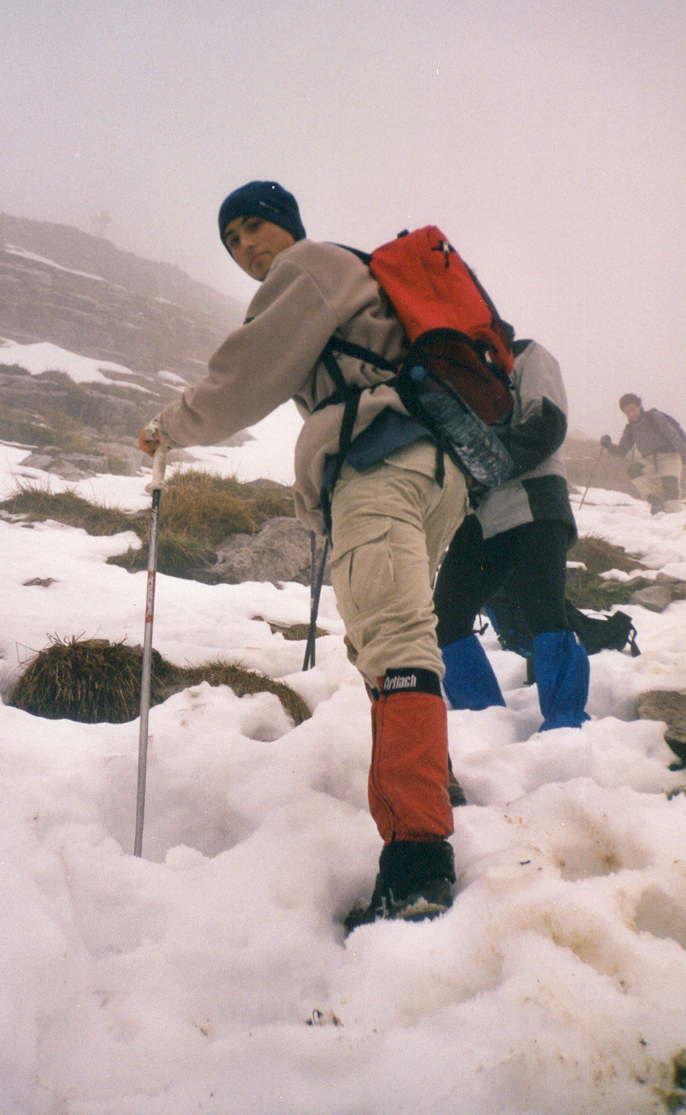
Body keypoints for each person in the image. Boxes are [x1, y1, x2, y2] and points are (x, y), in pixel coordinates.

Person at [139, 181, 469, 927]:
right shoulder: (354, 273)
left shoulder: (308, 269)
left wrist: (167, 426)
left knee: (392, 642)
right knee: (389, 636)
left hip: (382, 461)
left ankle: (418, 859)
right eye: (232, 241)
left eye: (254, 227)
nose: (246, 248)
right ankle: (435, 786)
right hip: (435, 466)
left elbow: (243, 378)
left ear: (286, 225)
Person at [432, 338, 590, 732]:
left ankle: (566, 727)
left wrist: (482, 466)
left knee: (544, 612)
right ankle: (484, 723)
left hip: (534, 502)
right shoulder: (447, 373)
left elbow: (547, 425)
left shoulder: (528, 355)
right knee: (446, 616)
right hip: (482, 516)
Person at [600, 394, 686, 514]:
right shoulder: (630, 429)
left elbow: (673, 435)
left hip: (670, 457)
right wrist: (607, 445)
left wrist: (684, 455)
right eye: (627, 412)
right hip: (650, 461)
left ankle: (675, 525)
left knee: (672, 506)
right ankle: (653, 500)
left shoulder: (654, 417)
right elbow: (622, 451)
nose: (631, 414)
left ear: (639, 406)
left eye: (633, 409)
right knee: (634, 470)